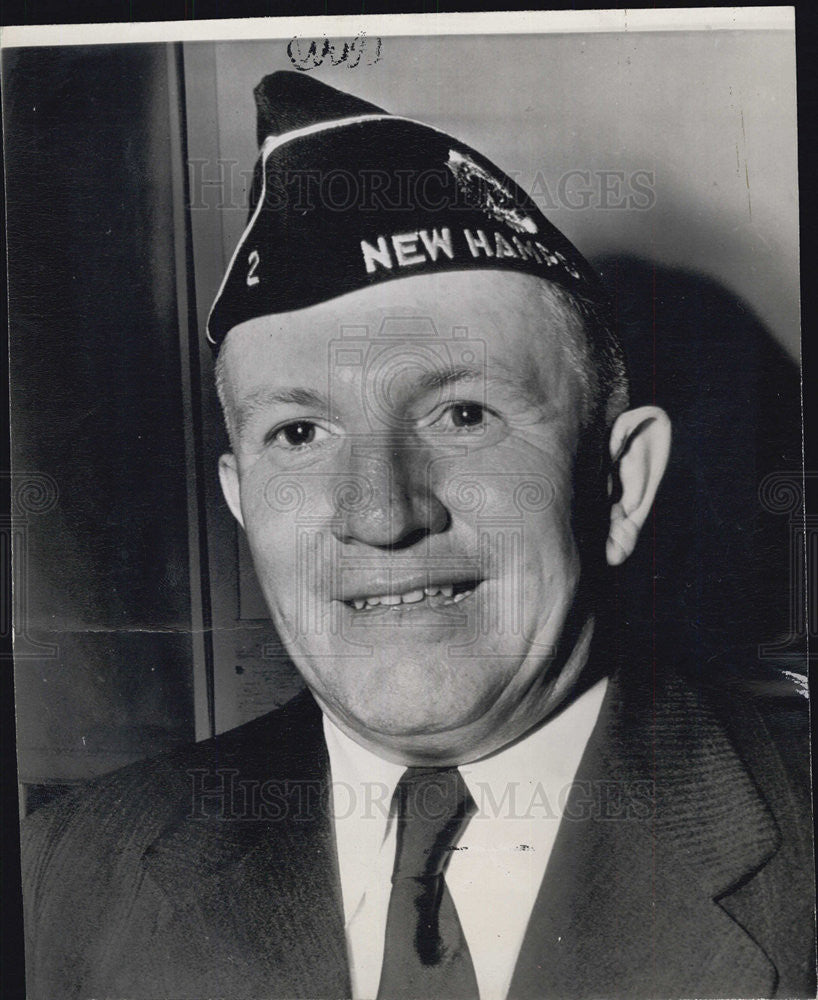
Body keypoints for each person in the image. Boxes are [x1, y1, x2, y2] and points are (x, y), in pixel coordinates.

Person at [21, 72, 814, 1000]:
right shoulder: (66, 878)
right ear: (242, 501)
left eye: (463, 415)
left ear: (619, 483)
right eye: (300, 435)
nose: (381, 514)